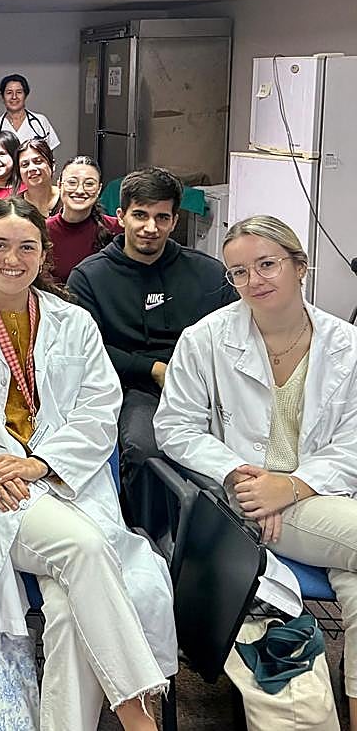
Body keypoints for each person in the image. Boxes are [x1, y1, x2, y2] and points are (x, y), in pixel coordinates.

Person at [0, 197, 176, 731]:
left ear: (43, 253)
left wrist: (42, 464)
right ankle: (139, 712)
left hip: (61, 481)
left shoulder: (74, 323)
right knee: (85, 547)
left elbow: (101, 411)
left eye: (26, 246)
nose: (12, 257)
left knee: (74, 610)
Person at [154, 215, 357, 723]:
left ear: (300, 267)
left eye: (267, 265)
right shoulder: (205, 339)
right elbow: (174, 427)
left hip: (318, 495)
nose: (254, 281)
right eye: (239, 272)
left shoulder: (345, 345)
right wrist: (241, 476)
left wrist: (291, 485)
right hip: (247, 504)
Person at [67, 167, 237, 536]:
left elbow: (237, 333)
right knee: (146, 452)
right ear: (121, 216)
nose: (150, 227)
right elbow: (87, 350)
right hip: (134, 388)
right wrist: (153, 369)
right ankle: (156, 544)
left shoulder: (208, 274)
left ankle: (235, 544)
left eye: (162, 217)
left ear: (175, 220)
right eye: (140, 215)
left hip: (204, 386)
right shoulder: (89, 277)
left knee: (244, 445)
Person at [46, 157, 120, 283]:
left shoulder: (117, 229)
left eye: (89, 184)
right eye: (72, 182)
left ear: (99, 189)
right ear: (59, 185)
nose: (80, 190)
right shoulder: (42, 231)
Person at [0, 73, 61, 149]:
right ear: (2, 97)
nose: (14, 97)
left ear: (25, 95)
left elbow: (49, 154)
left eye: (19, 92)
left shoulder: (40, 121)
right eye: (9, 93)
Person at [18, 138, 61, 217]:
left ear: (53, 165)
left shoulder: (68, 199)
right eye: (25, 165)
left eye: (38, 161)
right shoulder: (14, 207)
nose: (31, 168)